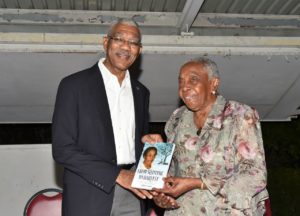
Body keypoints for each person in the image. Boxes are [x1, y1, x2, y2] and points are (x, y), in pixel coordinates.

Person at [52, 18, 153, 216]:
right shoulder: (73, 86)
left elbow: (138, 145)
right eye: (119, 39)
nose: (126, 46)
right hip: (88, 194)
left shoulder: (142, 92)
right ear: (106, 42)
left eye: (133, 42)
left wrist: (152, 146)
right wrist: (117, 175)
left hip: (133, 195)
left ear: (138, 51)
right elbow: (62, 149)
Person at [143, 57, 269, 215]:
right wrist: (161, 196)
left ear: (213, 83)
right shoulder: (176, 119)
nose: (185, 87)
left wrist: (198, 183)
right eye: (181, 82)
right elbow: (171, 174)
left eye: (193, 80)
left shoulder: (239, 115)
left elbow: (255, 176)